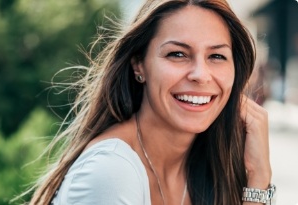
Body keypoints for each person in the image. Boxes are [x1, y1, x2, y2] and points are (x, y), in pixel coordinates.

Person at [28, 0, 275, 204]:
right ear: (139, 65)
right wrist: (258, 185)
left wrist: (258, 174)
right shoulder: (110, 172)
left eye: (217, 56)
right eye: (177, 54)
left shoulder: (205, 163)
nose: (200, 74)